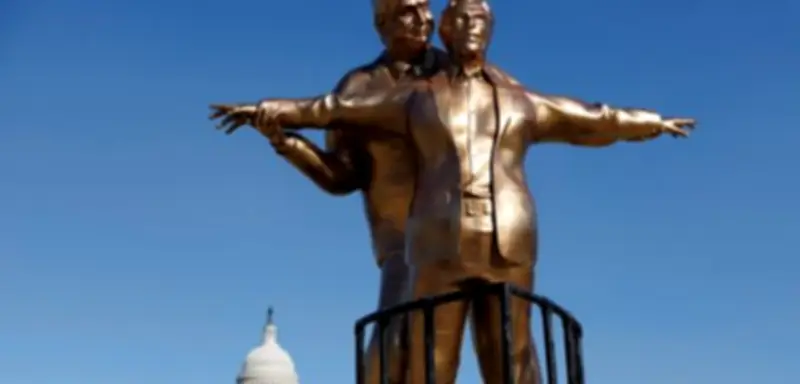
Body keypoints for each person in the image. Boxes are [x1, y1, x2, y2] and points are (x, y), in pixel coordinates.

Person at [211, 0, 695, 382]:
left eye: (428, 9)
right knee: (400, 355)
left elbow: (578, 116)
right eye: (408, 10)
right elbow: (338, 164)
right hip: (411, 244)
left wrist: (649, 122)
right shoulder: (375, 89)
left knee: (511, 351)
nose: (422, 19)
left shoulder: (486, 82)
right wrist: (279, 131)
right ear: (382, 23)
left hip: (495, 235)